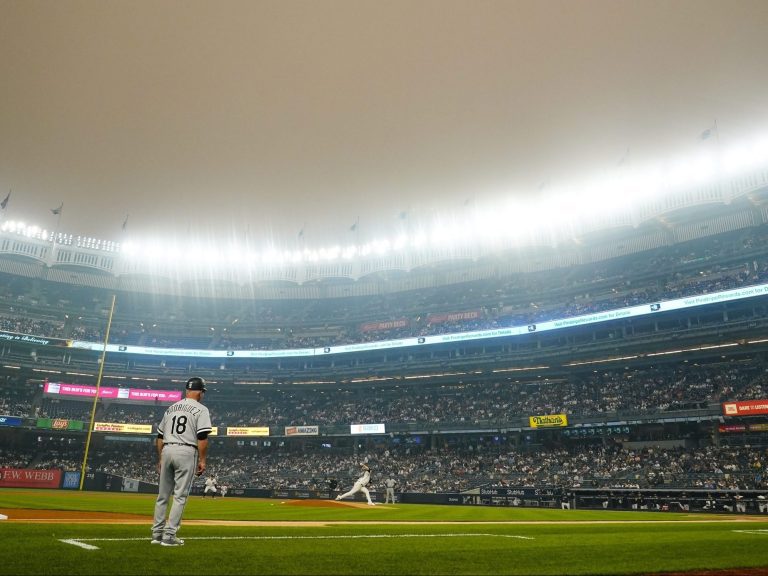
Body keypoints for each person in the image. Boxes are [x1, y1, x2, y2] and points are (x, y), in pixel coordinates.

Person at [151, 376, 213, 546]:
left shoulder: (171, 408)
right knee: (180, 496)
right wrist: (203, 460)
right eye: (202, 392)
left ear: (187, 390)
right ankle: (169, 536)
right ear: (200, 392)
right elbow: (202, 437)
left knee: (162, 495)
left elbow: (159, 436)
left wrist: (160, 457)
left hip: (167, 450)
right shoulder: (201, 409)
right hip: (186, 450)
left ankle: (156, 534)